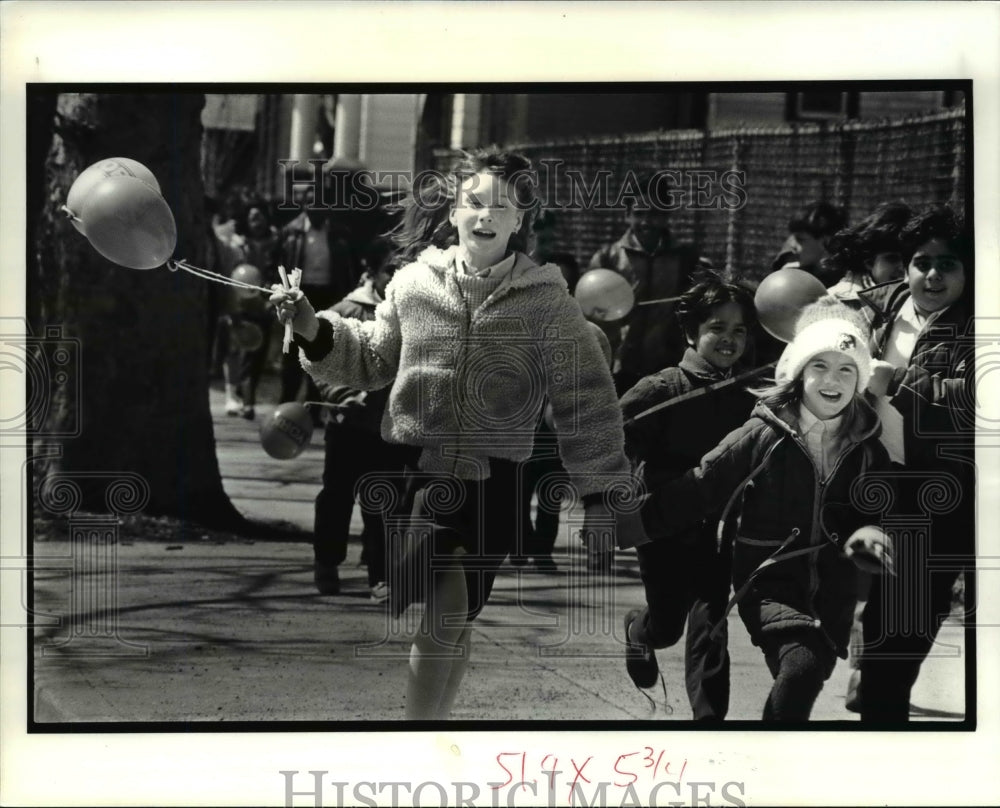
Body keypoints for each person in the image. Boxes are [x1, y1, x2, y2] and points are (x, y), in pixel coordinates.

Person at [271, 148, 637, 720]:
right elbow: (368, 357)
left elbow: (586, 401)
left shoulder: (549, 303)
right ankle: (416, 737)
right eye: (475, 203)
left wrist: (599, 498)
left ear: (521, 220)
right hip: (424, 474)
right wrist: (311, 327)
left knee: (461, 618)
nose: (486, 216)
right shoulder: (415, 284)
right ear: (452, 212)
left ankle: (434, 729)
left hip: (500, 482)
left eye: (503, 206)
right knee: (446, 609)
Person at [638, 299, 893, 722]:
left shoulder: (868, 449)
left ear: (860, 379)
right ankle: (768, 755)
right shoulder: (765, 432)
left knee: (807, 676)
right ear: (799, 374)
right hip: (769, 576)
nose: (833, 379)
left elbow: (873, 511)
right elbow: (705, 481)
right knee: (799, 668)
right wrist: (635, 523)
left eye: (846, 369)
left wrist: (869, 534)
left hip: (833, 588)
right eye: (820, 367)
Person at [620, 277, 760, 720]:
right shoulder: (661, 388)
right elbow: (610, 439)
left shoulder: (748, 398)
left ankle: (708, 722)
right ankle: (639, 630)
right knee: (666, 627)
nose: (729, 340)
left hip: (717, 528)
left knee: (711, 626)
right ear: (690, 333)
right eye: (718, 327)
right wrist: (609, 498)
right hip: (661, 522)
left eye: (740, 331)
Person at [855, 206, 974, 723]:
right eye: (922, 261)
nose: (933, 274)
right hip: (880, 488)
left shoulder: (982, 320)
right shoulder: (873, 314)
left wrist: (899, 383)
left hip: (950, 492)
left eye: (947, 264)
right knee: (885, 640)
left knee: (913, 637)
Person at [312, 238, 418, 599]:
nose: (399, 277)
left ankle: (381, 576)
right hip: (348, 428)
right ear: (371, 271)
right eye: (391, 269)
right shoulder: (347, 310)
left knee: (384, 504)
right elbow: (319, 360)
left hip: (390, 429)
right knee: (336, 499)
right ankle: (327, 561)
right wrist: (341, 395)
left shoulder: (417, 315)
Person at [588, 174, 709, 394]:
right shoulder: (607, 258)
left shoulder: (684, 258)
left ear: (665, 216)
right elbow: (591, 314)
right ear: (627, 215)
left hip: (668, 366)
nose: (646, 222)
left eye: (654, 214)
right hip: (618, 366)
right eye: (639, 214)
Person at [279, 165, 357, 408]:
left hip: (328, 297)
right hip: (299, 296)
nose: (316, 206)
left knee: (320, 352)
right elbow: (278, 265)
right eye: (311, 200)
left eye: (321, 201)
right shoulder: (291, 232)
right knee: (291, 352)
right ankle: (287, 403)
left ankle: (314, 407)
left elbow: (349, 270)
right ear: (303, 203)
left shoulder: (340, 234)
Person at [826, 201, 912, 301]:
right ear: (869, 262)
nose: (902, 267)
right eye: (892, 259)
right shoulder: (837, 301)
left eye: (909, 258)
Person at [771, 201, 847, 288]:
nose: (792, 247)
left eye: (800, 240)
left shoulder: (846, 282)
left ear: (826, 240)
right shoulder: (794, 273)